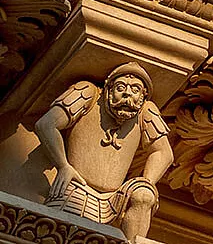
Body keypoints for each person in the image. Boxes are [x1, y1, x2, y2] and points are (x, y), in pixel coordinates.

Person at [34, 62, 172, 240]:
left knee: (144, 194)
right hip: (76, 190)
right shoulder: (89, 93)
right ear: (108, 89)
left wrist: (147, 183)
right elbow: (46, 125)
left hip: (115, 199)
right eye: (120, 87)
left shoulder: (146, 111)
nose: (127, 94)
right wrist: (63, 165)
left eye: (135, 90)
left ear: (143, 97)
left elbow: (163, 153)